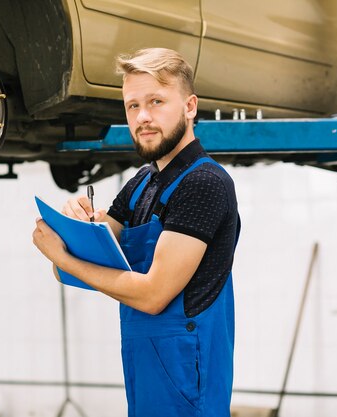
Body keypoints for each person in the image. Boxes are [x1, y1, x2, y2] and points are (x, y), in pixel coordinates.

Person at [32, 47, 240, 416]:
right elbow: (66, 270)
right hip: (146, 367)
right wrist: (73, 226)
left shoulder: (205, 184)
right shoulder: (142, 183)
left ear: (190, 107)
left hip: (187, 377)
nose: (142, 117)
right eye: (132, 106)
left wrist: (62, 254)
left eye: (156, 101)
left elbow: (152, 296)